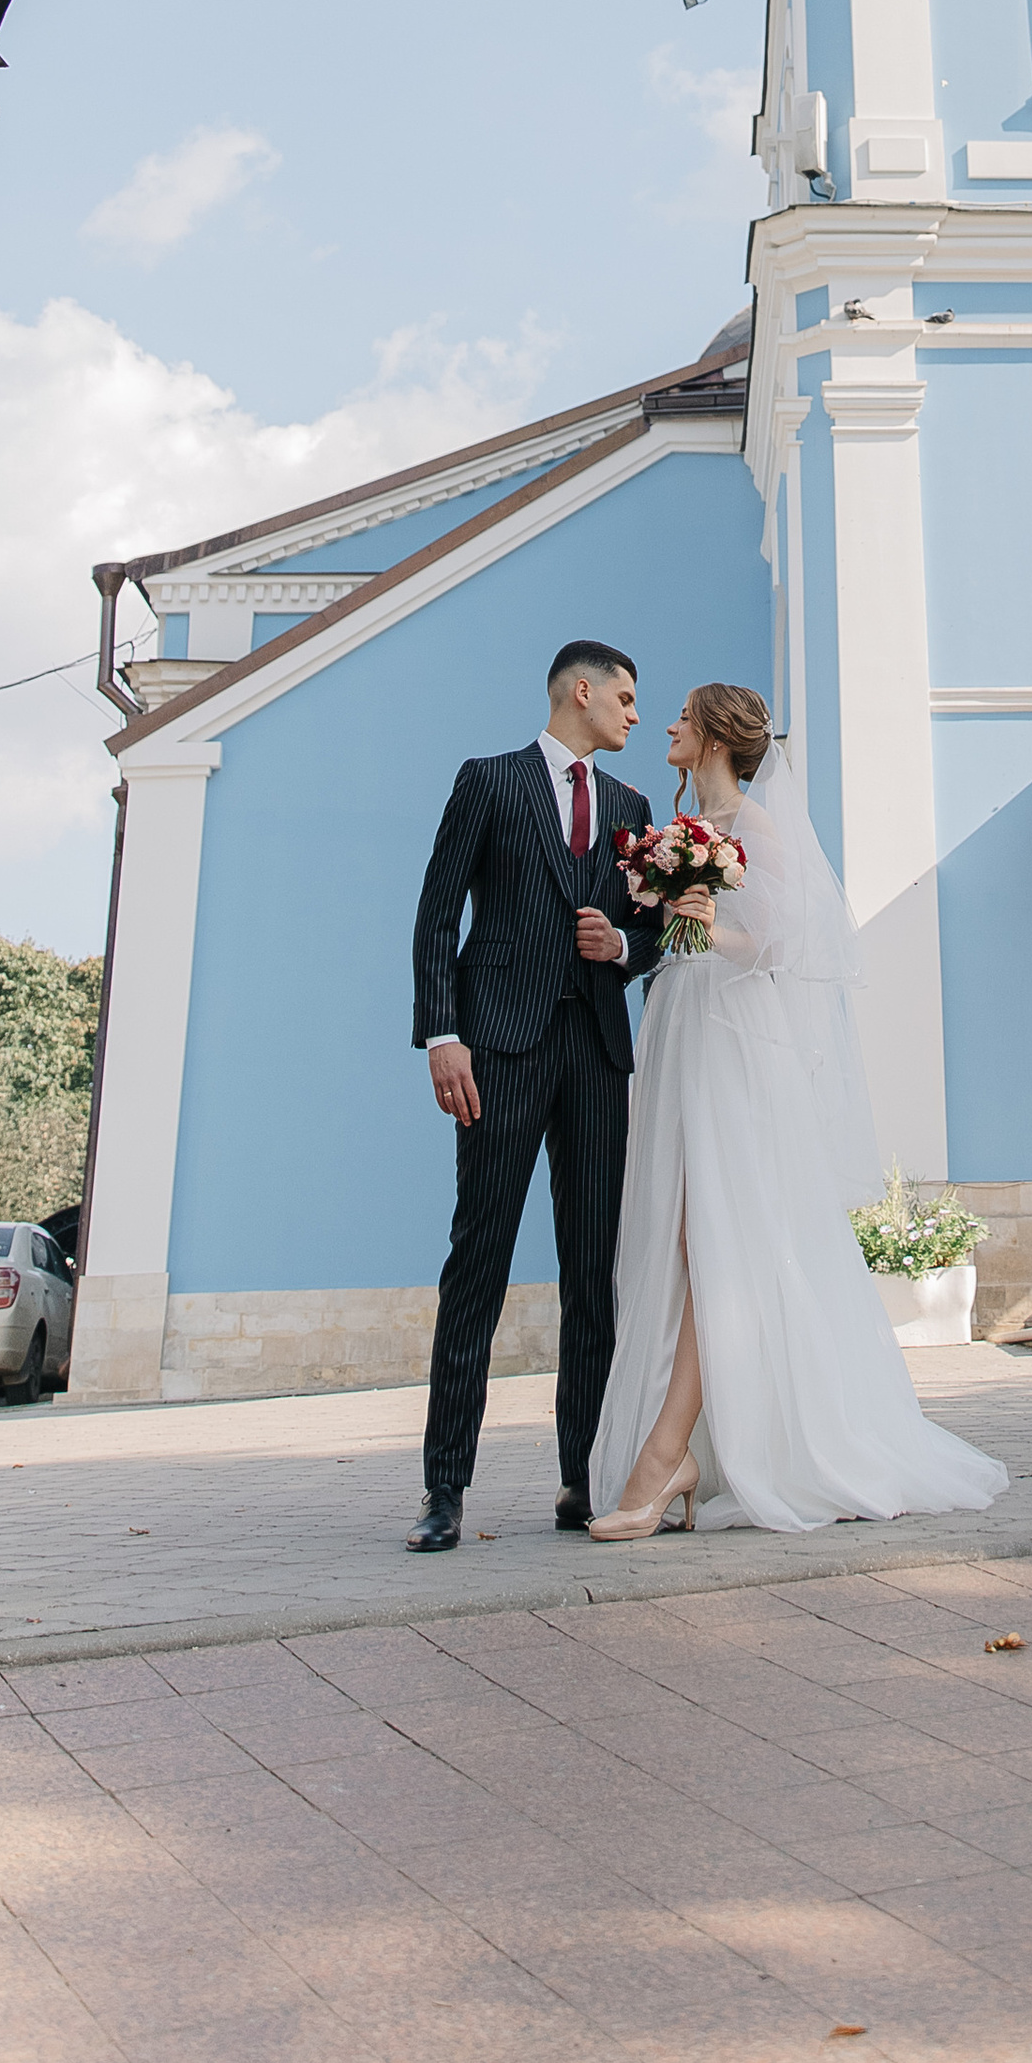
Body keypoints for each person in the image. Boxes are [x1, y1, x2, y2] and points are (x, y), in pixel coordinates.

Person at [587, 680, 1008, 1538]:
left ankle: (667, 1456)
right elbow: (685, 938)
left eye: (681, 717)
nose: (664, 724)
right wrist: (672, 917)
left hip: (736, 1035)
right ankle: (687, 1448)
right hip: (681, 1026)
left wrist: (705, 920)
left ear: (711, 737)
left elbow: (793, 942)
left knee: (715, 1233)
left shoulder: (756, 824)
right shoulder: (677, 835)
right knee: (678, 1234)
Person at [404, 638, 662, 1552]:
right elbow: (438, 915)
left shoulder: (632, 809)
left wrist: (623, 948)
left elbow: (661, 929)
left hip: (595, 1055)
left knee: (594, 1274)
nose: (636, 714)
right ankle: (445, 1490)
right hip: (499, 1054)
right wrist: (443, 1035)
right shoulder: (489, 780)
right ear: (580, 693)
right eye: (625, 698)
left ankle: (580, 1481)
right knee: (477, 1264)